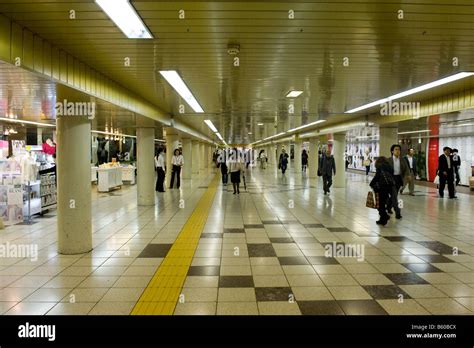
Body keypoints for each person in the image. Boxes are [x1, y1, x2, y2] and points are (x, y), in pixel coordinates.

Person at [370, 156, 396, 226]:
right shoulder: (390, 167)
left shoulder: (380, 167)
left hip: (381, 188)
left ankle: (385, 216)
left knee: (379, 204)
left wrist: (371, 184)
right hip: (389, 187)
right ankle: (382, 219)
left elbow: (377, 177)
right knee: (383, 202)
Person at [387, 144, 408, 219]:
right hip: (391, 180)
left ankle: (388, 207)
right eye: (396, 149)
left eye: (399, 150)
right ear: (392, 151)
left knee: (393, 196)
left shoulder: (402, 160)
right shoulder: (388, 160)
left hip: (398, 179)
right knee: (394, 196)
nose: (398, 151)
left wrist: (407, 176)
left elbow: (406, 169)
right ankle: (398, 213)